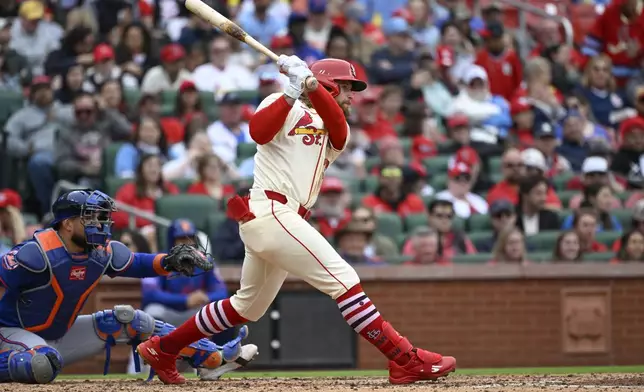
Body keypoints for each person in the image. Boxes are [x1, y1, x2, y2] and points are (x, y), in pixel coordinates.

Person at [136, 56, 456, 385]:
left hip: (284, 218)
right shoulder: (281, 101)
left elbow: (340, 131)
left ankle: (164, 348)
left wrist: (313, 86)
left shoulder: (333, 124)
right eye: (346, 88)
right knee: (344, 279)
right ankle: (404, 359)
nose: (351, 96)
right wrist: (292, 88)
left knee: (247, 307)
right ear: (331, 85)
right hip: (270, 210)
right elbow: (259, 132)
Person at [0, 189, 252, 384]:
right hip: (11, 334)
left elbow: (137, 263)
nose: (99, 224)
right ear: (67, 224)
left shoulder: (98, 253)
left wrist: (169, 261)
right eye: (90, 218)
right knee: (43, 364)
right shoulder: (36, 254)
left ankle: (212, 356)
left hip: (57, 334)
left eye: (100, 217)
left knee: (127, 320)